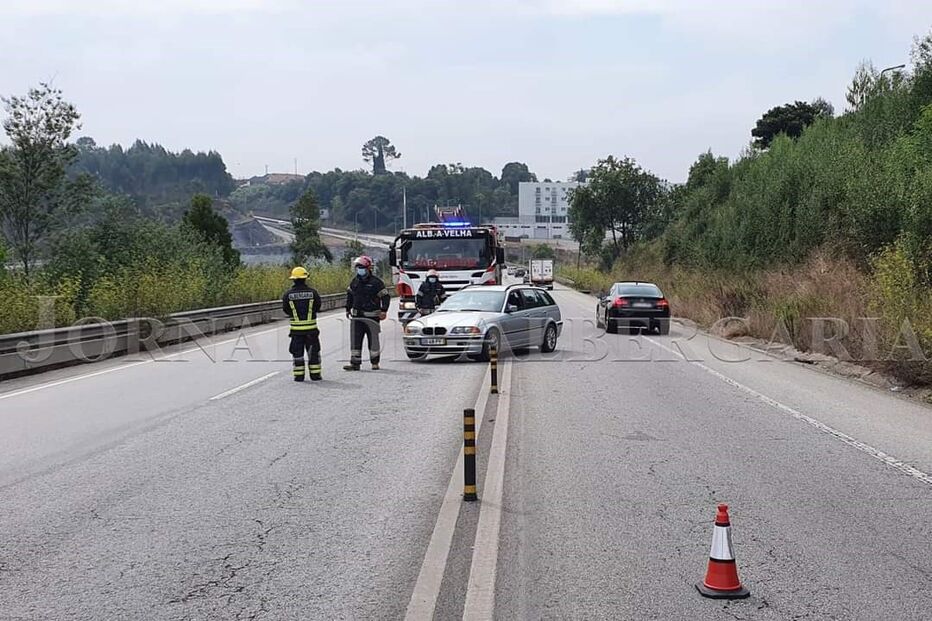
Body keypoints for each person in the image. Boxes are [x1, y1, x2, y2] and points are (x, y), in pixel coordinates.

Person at [343, 255, 390, 371]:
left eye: (362, 267)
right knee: (355, 340)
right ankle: (355, 363)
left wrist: (384, 310)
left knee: (373, 341)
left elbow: (385, 297)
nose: (359, 269)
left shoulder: (376, 283)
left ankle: (375, 362)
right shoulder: (355, 282)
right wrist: (347, 308)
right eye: (358, 267)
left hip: (372, 317)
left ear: (368, 268)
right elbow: (350, 296)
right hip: (357, 317)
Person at [282, 266, 322, 382]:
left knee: (297, 354)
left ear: (293, 279)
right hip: (311, 330)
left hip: (296, 331)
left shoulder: (288, 295)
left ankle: (299, 376)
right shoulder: (313, 293)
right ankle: (315, 375)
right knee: (313, 353)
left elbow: (286, 309)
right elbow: (317, 307)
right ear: (305, 279)